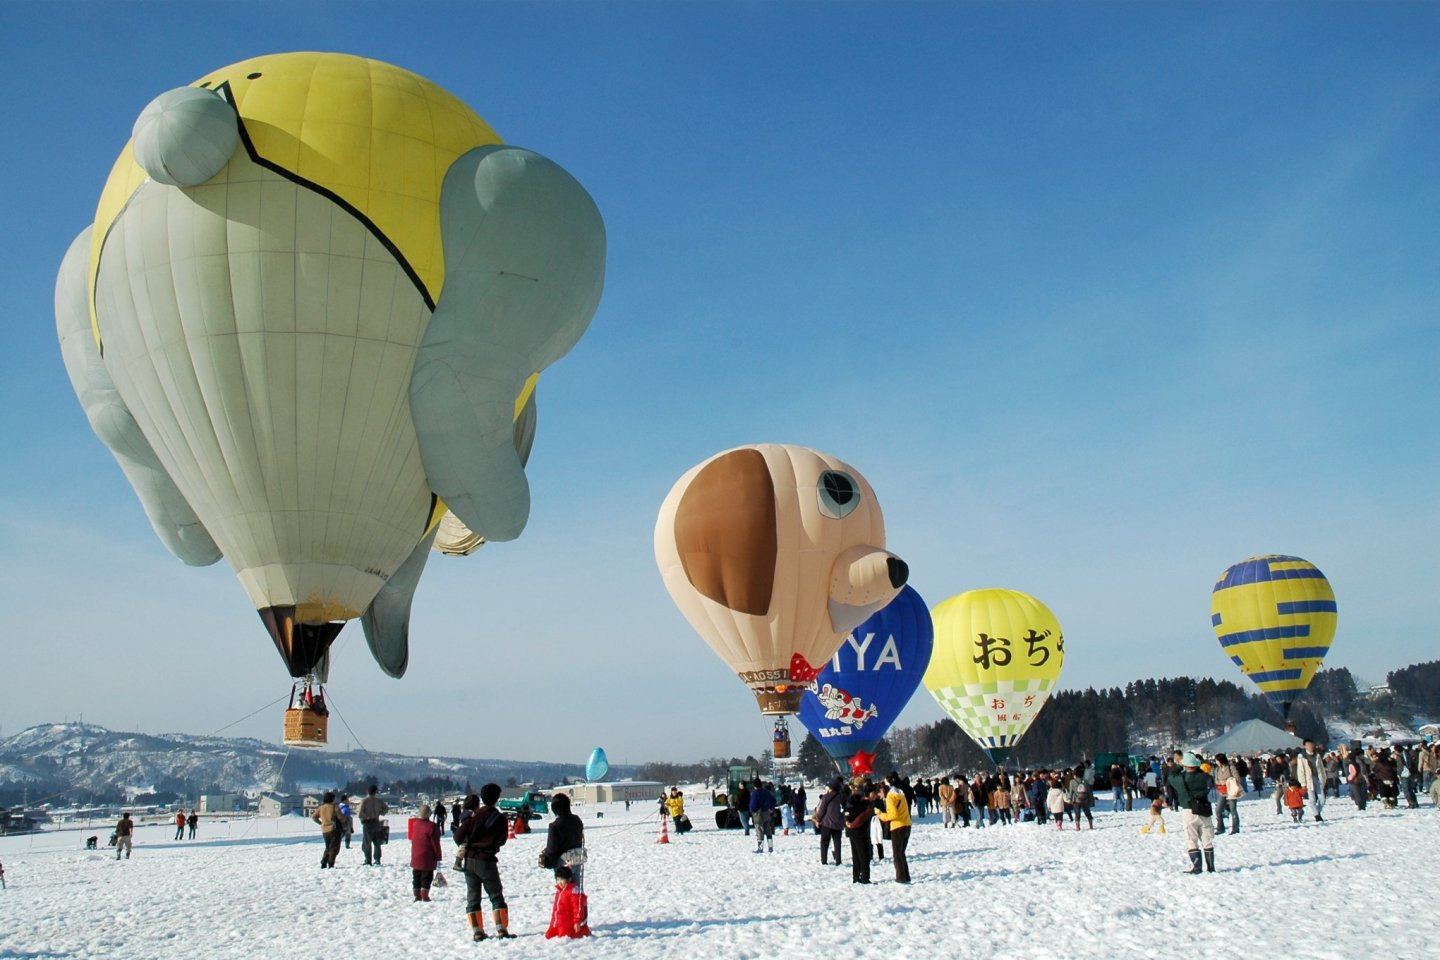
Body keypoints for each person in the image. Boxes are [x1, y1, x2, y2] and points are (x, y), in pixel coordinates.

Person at [454, 785, 513, 942]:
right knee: (496, 895)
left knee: (473, 897)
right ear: (497, 798)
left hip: (469, 860)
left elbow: (458, 836)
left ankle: (477, 931)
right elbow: (502, 840)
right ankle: (501, 929)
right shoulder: (499, 818)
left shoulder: (473, 817)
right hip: (486, 860)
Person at [1168, 752, 1216, 874]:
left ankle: (1197, 867)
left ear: (1185, 765)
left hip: (1188, 810)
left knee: (1191, 839)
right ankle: (1211, 867)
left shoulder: (1180, 779)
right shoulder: (1204, 776)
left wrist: (1179, 765)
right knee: (1207, 839)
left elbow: (1170, 776)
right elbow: (1210, 777)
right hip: (1204, 809)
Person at [541, 793, 586, 894]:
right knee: (577, 892)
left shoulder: (555, 826)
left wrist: (546, 858)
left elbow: (552, 848)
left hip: (563, 861)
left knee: (565, 892)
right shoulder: (577, 820)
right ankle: (581, 909)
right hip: (578, 857)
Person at [876, 772, 912, 883]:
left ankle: (900, 878)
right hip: (906, 824)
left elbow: (893, 815)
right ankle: (905, 876)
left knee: (897, 854)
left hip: (897, 826)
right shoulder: (900, 793)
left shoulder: (891, 797)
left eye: (880, 791)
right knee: (901, 853)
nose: (879, 794)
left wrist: (880, 815)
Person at [545, 866, 590, 939]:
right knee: (549, 936)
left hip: (567, 925)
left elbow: (577, 908)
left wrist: (577, 922)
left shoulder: (573, 891)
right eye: (558, 879)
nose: (560, 882)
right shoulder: (559, 891)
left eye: (562, 879)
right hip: (557, 923)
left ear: (569, 879)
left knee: (563, 938)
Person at [409, 803, 443, 901]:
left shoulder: (415, 824)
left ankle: (417, 895)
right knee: (426, 877)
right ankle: (425, 895)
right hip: (428, 856)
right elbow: (435, 844)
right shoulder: (432, 826)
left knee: (416, 877)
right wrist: (438, 856)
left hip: (416, 855)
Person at [843, 781, 874, 884]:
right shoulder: (864, 802)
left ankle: (856, 877)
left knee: (856, 855)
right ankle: (865, 877)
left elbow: (848, 812)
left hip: (852, 830)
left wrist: (848, 823)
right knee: (864, 854)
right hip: (859, 830)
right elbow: (861, 817)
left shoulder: (851, 798)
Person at [1292, 739, 1326, 822]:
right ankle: (1317, 815)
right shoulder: (1302, 756)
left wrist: (1324, 778)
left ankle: (1317, 812)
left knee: (1322, 799)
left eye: (1312, 744)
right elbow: (1300, 770)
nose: (1311, 746)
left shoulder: (1317, 755)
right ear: (1305, 746)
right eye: (1309, 745)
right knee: (1312, 799)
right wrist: (1303, 783)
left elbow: (1321, 768)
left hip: (1318, 778)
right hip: (1308, 779)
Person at [813, 778, 846, 864]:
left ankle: (824, 861)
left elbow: (821, 810)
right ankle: (838, 861)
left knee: (824, 842)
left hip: (826, 823)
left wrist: (817, 820)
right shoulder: (842, 797)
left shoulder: (826, 797)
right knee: (837, 843)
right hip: (838, 823)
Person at [358, 784, 389, 866]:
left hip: (367, 823)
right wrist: (380, 813)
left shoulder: (364, 801)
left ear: (368, 791)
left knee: (367, 843)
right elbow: (386, 808)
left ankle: (368, 860)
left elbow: (360, 813)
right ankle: (377, 859)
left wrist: (366, 817)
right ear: (376, 792)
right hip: (376, 822)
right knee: (377, 843)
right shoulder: (378, 801)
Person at [1212, 753, 1242, 834]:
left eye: (1217, 760)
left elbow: (1237, 778)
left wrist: (1226, 781)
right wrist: (1219, 782)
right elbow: (1216, 779)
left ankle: (1235, 828)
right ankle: (1220, 827)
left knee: (1233, 809)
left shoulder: (1230, 767)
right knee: (1218, 810)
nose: (1216, 762)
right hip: (1222, 791)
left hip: (1231, 791)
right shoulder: (1217, 769)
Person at [312, 791, 344, 868]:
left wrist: (321, 823)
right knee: (334, 847)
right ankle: (331, 862)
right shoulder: (334, 807)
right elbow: (341, 818)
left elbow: (314, 817)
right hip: (334, 829)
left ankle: (324, 862)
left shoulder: (321, 808)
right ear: (332, 799)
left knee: (328, 847)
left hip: (325, 830)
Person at [749, 779, 777, 853]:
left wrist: (752, 811)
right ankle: (770, 847)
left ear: (755, 785)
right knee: (768, 830)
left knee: (759, 830)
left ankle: (760, 848)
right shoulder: (766, 792)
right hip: (766, 813)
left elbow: (753, 804)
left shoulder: (755, 793)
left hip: (758, 814)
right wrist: (770, 808)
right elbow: (773, 800)